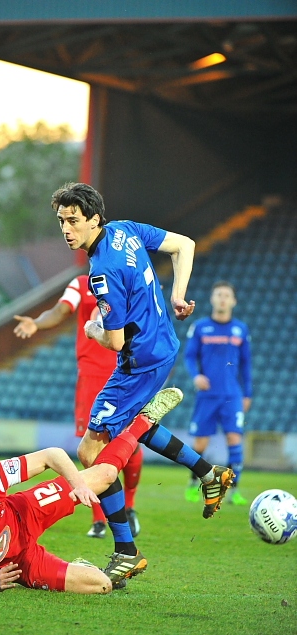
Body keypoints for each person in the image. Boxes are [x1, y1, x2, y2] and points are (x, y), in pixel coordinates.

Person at [50, 182, 235, 582]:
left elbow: (114, 341)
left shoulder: (101, 272)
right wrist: (178, 296)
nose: (67, 229)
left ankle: (125, 551)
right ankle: (209, 473)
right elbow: (185, 245)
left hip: (139, 361)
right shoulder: (126, 230)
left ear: (94, 218)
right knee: (138, 425)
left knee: (90, 451)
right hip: (163, 342)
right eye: (62, 221)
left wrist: (92, 330)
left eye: (74, 221)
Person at [13, 273, 144, 539]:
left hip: (124, 372)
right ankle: (99, 519)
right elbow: (62, 309)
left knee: (130, 444)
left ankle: (128, 508)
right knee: (91, 448)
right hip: (91, 374)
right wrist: (37, 323)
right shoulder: (81, 283)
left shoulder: (130, 284)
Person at [184, 280, 252, 505]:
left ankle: (234, 491)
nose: (222, 298)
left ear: (233, 301)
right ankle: (194, 484)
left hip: (232, 395)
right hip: (207, 395)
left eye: (226, 295)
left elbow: (246, 365)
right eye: (219, 295)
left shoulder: (240, 329)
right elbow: (189, 356)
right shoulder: (201, 327)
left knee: (235, 439)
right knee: (200, 444)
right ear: (212, 299)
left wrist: (247, 394)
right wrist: (196, 375)